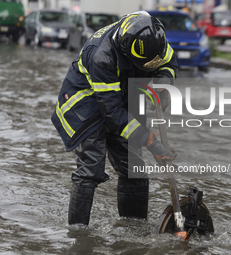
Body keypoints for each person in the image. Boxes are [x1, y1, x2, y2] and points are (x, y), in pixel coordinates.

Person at [51, 11, 178, 226]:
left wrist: (164, 84)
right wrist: (150, 141)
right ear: (127, 52)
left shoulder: (154, 41)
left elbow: (169, 60)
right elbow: (113, 113)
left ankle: (132, 230)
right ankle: (80, 236)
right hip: (85, 106)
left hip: (122, 96)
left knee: (134, 169)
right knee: (90, 170)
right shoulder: (102, 55)